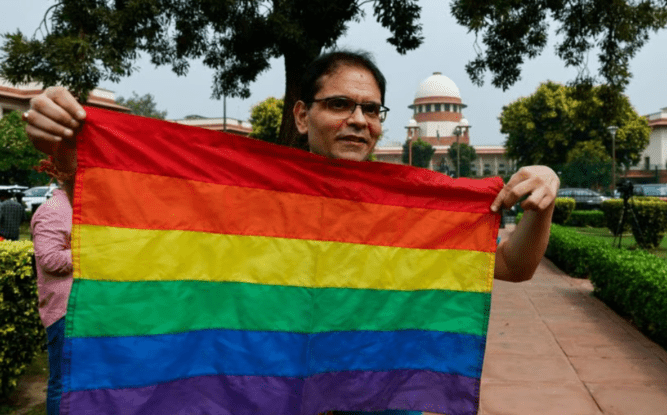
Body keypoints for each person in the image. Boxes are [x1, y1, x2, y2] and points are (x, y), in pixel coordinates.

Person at [23, 50, 559, 413]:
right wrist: (65, 146)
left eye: (371, 109)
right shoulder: (245, 194)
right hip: (257, 390)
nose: (358, 119)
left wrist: (543, 200)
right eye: (339, 104)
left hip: (369, 393)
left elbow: (513, 266)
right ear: (302, 116)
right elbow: (134, 210)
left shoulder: (413, 211)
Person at [29, 163, 74, 415]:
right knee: (63, 382)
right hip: (64, 313)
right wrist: (92, 249)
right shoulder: (54, 210)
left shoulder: (75, 208)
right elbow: (50, 260)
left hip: (82, 309)